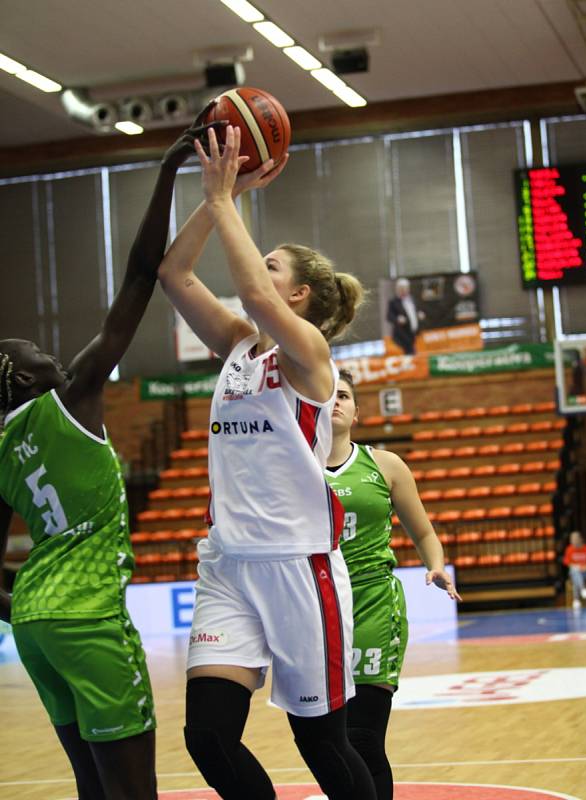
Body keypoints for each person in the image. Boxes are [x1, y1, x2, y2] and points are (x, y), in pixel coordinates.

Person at [0, 115, 222, 800]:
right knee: (133, 792)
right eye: (33, 349)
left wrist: (33, 608)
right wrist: (166, 170)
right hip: (88, 615)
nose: (50, 351)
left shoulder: (2, 450)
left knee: (90, 787)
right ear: (21, 376)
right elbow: (138, 277)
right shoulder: (73, 397)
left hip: (34, 624)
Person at [157, 124, 377, 800]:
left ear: (298, 296)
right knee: (209, 738)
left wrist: (227, 199)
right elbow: (174, 273)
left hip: (296, 565)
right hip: (227, 563)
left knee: (321, 742)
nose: (258, 271)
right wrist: (219, 196)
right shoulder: (236, 347)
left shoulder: (308, 353)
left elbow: (251, 294)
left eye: (272, 264)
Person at [325, 369, 461, 800]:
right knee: (328, 744)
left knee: (362, 736)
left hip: (372, 604)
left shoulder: (384, 464)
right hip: (316, 606)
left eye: (344, 395)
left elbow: (423, 533)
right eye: (327, 395)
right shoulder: (291, 465)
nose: (336, 402)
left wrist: (436, 564)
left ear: (358, 412)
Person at [386, 277, 424, 354]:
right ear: (397, 289)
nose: (404, 290)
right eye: (401, 288)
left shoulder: (411, 298)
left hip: (413, 332)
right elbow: (389, 316)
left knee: (412, 351)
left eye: (405, 288)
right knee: (410, 352)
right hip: (402, 334)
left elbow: (415, 311)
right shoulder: (393, 302)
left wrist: (419, 314)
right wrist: (397, 319)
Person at [563, 530, 586, 609]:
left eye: (575, 539)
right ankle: (582, 589)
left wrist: (585, 567)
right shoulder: (569, 549)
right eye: (572, 539)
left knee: (576, 577)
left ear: (580, 539)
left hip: (585, 573)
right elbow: (568, 563)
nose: (573, 541)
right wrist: (577, 567)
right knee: (575, 571)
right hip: (574, 572)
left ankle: (576, 600)